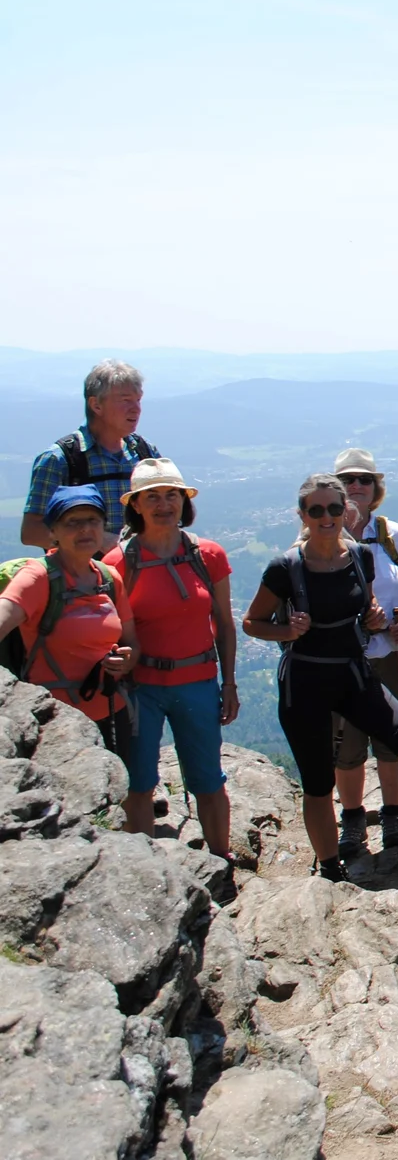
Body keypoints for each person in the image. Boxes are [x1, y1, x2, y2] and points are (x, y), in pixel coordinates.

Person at [240, 474, 398, 881]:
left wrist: (372, 616)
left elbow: (365, 601)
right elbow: (251, 622)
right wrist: (287, 632)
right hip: (305, 681)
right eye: (316, 510)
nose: (326, 517)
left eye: (334, 508)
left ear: (344, 511)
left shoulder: (358, 556)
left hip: (353, 672)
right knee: (318, 781)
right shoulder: (286, 567)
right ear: (303, 515)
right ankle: (331, 868)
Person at [101, 460, 239, 861]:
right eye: (153, 497)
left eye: (172, 495)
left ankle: (221, 860)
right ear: (136, 506)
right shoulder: (118, 563)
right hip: (141, 687)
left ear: (184, 501)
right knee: (139, 783)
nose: (164, 504)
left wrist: (228, 683)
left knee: (208, 780)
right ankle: (145, 868)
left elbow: (224, 624)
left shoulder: (207, 555)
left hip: (198, 681)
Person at [330, 449, 398, 862]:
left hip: (391, 651)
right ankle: (352, 819)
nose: (356, 487)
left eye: (364, 480)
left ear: (376, 488)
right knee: (347, 743)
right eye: (348, 480)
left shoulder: (392, 534)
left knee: (391, 738)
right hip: (343, 657)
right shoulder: (322, 534)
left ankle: (392, 813)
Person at [0, 485, 136, 765]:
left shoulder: (108, 577)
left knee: (126, 796)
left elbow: (132, 642)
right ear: (53, 532)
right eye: (73, 522)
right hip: (57, 722)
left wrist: (125, 661)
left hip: (111, 708)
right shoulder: (38, 576)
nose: (85, 529)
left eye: (92, 521)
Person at [22, 359, 159, 547]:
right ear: (96, 405)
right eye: (125, 400)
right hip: (84, 574)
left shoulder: (144, 452)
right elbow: (31, 532)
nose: (136, 408)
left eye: (138, 400)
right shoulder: (61, 459)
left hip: (142, 571)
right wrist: (99, 541)